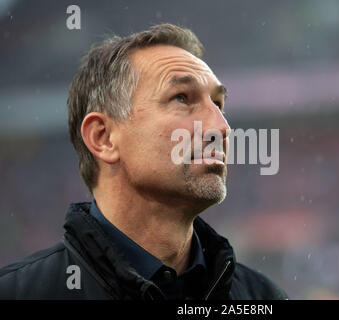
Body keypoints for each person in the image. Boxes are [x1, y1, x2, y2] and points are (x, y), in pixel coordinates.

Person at [0, 24, 287, 300]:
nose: (221, 127)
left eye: (219, 104)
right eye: (182, 98)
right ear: (103, 137)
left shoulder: (262, 297)